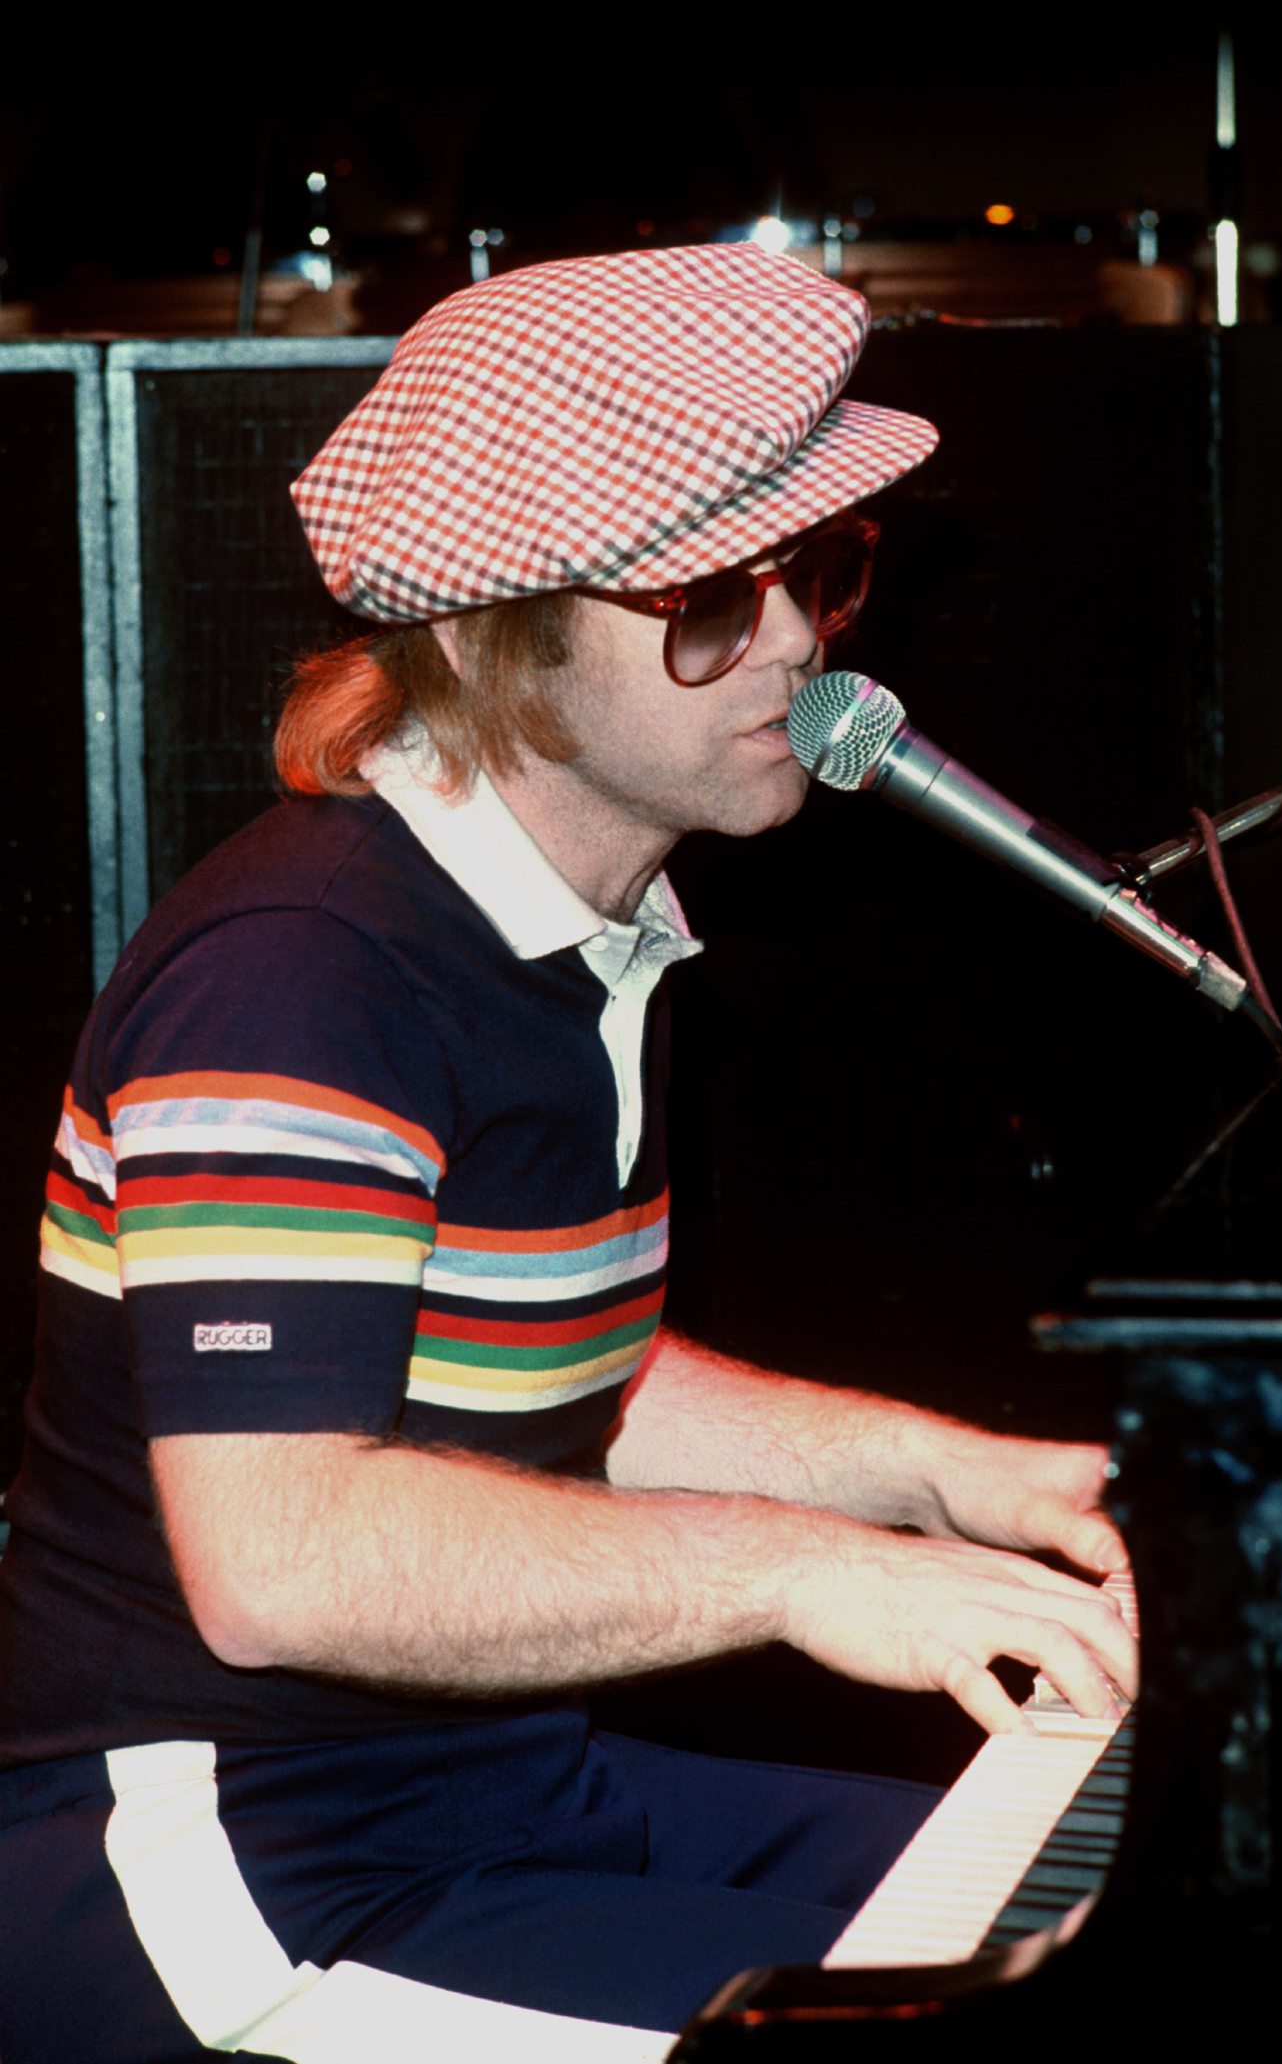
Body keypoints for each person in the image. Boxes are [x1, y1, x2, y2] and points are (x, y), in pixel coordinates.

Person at [0, 244, 1135, 2063]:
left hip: (496, 1788)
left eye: (817, 573)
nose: (793, 640)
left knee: (1082, 1909)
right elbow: (281, 1555)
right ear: (490, 637)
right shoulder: (299, 977)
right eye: (705, 596)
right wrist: (801, 1569)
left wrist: (958, 1479)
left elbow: (544, 1367)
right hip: (239, 1881)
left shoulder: (579, 932)